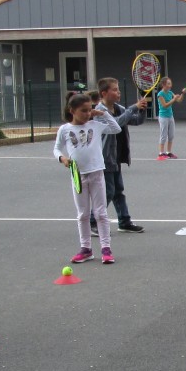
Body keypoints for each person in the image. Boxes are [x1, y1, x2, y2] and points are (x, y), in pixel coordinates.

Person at [55, 93, 121, 264]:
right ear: (72, 111)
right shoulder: (65, 129)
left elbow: (116, 128)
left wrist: (103, 114)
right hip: (78, 175)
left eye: (89, 109)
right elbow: (56, 149)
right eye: (83, 111)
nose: (87, 113)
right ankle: (86, 249)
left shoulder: (95, 125)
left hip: (97, 173)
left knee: (100, 213)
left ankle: (106, 248)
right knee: (83, 214)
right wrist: (62, 158)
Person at [90, 77, 147, 235]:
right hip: (105, 157)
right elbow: (117, 123)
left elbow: (136, 120)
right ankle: (92, 221)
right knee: (108, 191)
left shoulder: (119, 108)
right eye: (115, 90)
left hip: (116, 156)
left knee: (118, 191)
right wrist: (134, 107)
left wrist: (142, 110)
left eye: (118, 89)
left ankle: (124, 222)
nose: (118, 92)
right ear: (104, 93)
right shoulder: (99, 111)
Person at [156, 76, 184, 159]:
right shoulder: (160, 94)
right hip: (163, 117)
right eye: (168, 84)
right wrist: (174, 99)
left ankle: (168, 152)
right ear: (163, 85)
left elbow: (179, 100)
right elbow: (165, 105)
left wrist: (183, 94)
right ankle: (161, 153)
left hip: (170, 116)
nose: (170, 85)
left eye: (170, 83)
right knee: (163, 136)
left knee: (171, 135)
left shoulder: (170, 92)